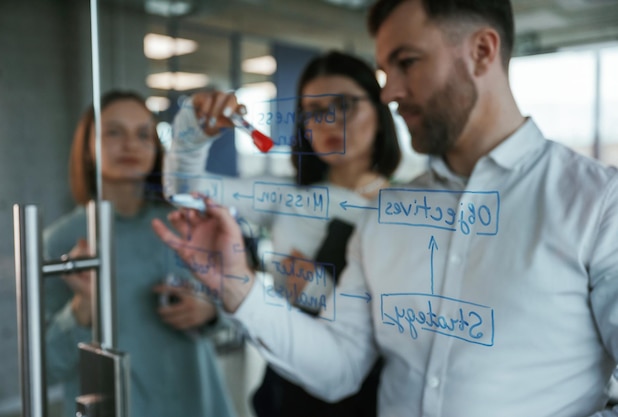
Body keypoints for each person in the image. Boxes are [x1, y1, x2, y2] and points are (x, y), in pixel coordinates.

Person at [152, 1, 618, 416]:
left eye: (407, 62)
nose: (390, 91)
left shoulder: (599, 205)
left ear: (482, 51)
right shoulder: (386, 216)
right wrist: (240, 288)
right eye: (384, 71)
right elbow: (340, 366)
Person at [162, 50, 400, 416]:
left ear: (380, 112)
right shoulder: (289, 197)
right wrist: (193, 132)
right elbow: (185, 191)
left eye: (344, 105)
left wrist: (316, 288)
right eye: (314, 112)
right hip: (284, 387)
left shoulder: (403, 211)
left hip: (368, 396)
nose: (329, 122)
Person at [43, 90, 237, 417]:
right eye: (114, 132)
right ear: (88, 148)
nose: (130, 145)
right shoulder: (62, 240)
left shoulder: (184, 223)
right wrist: (82, 306)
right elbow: (47, 365)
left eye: (143, 134)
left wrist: (209, 311)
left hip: (197, 401)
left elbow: (235, 310)